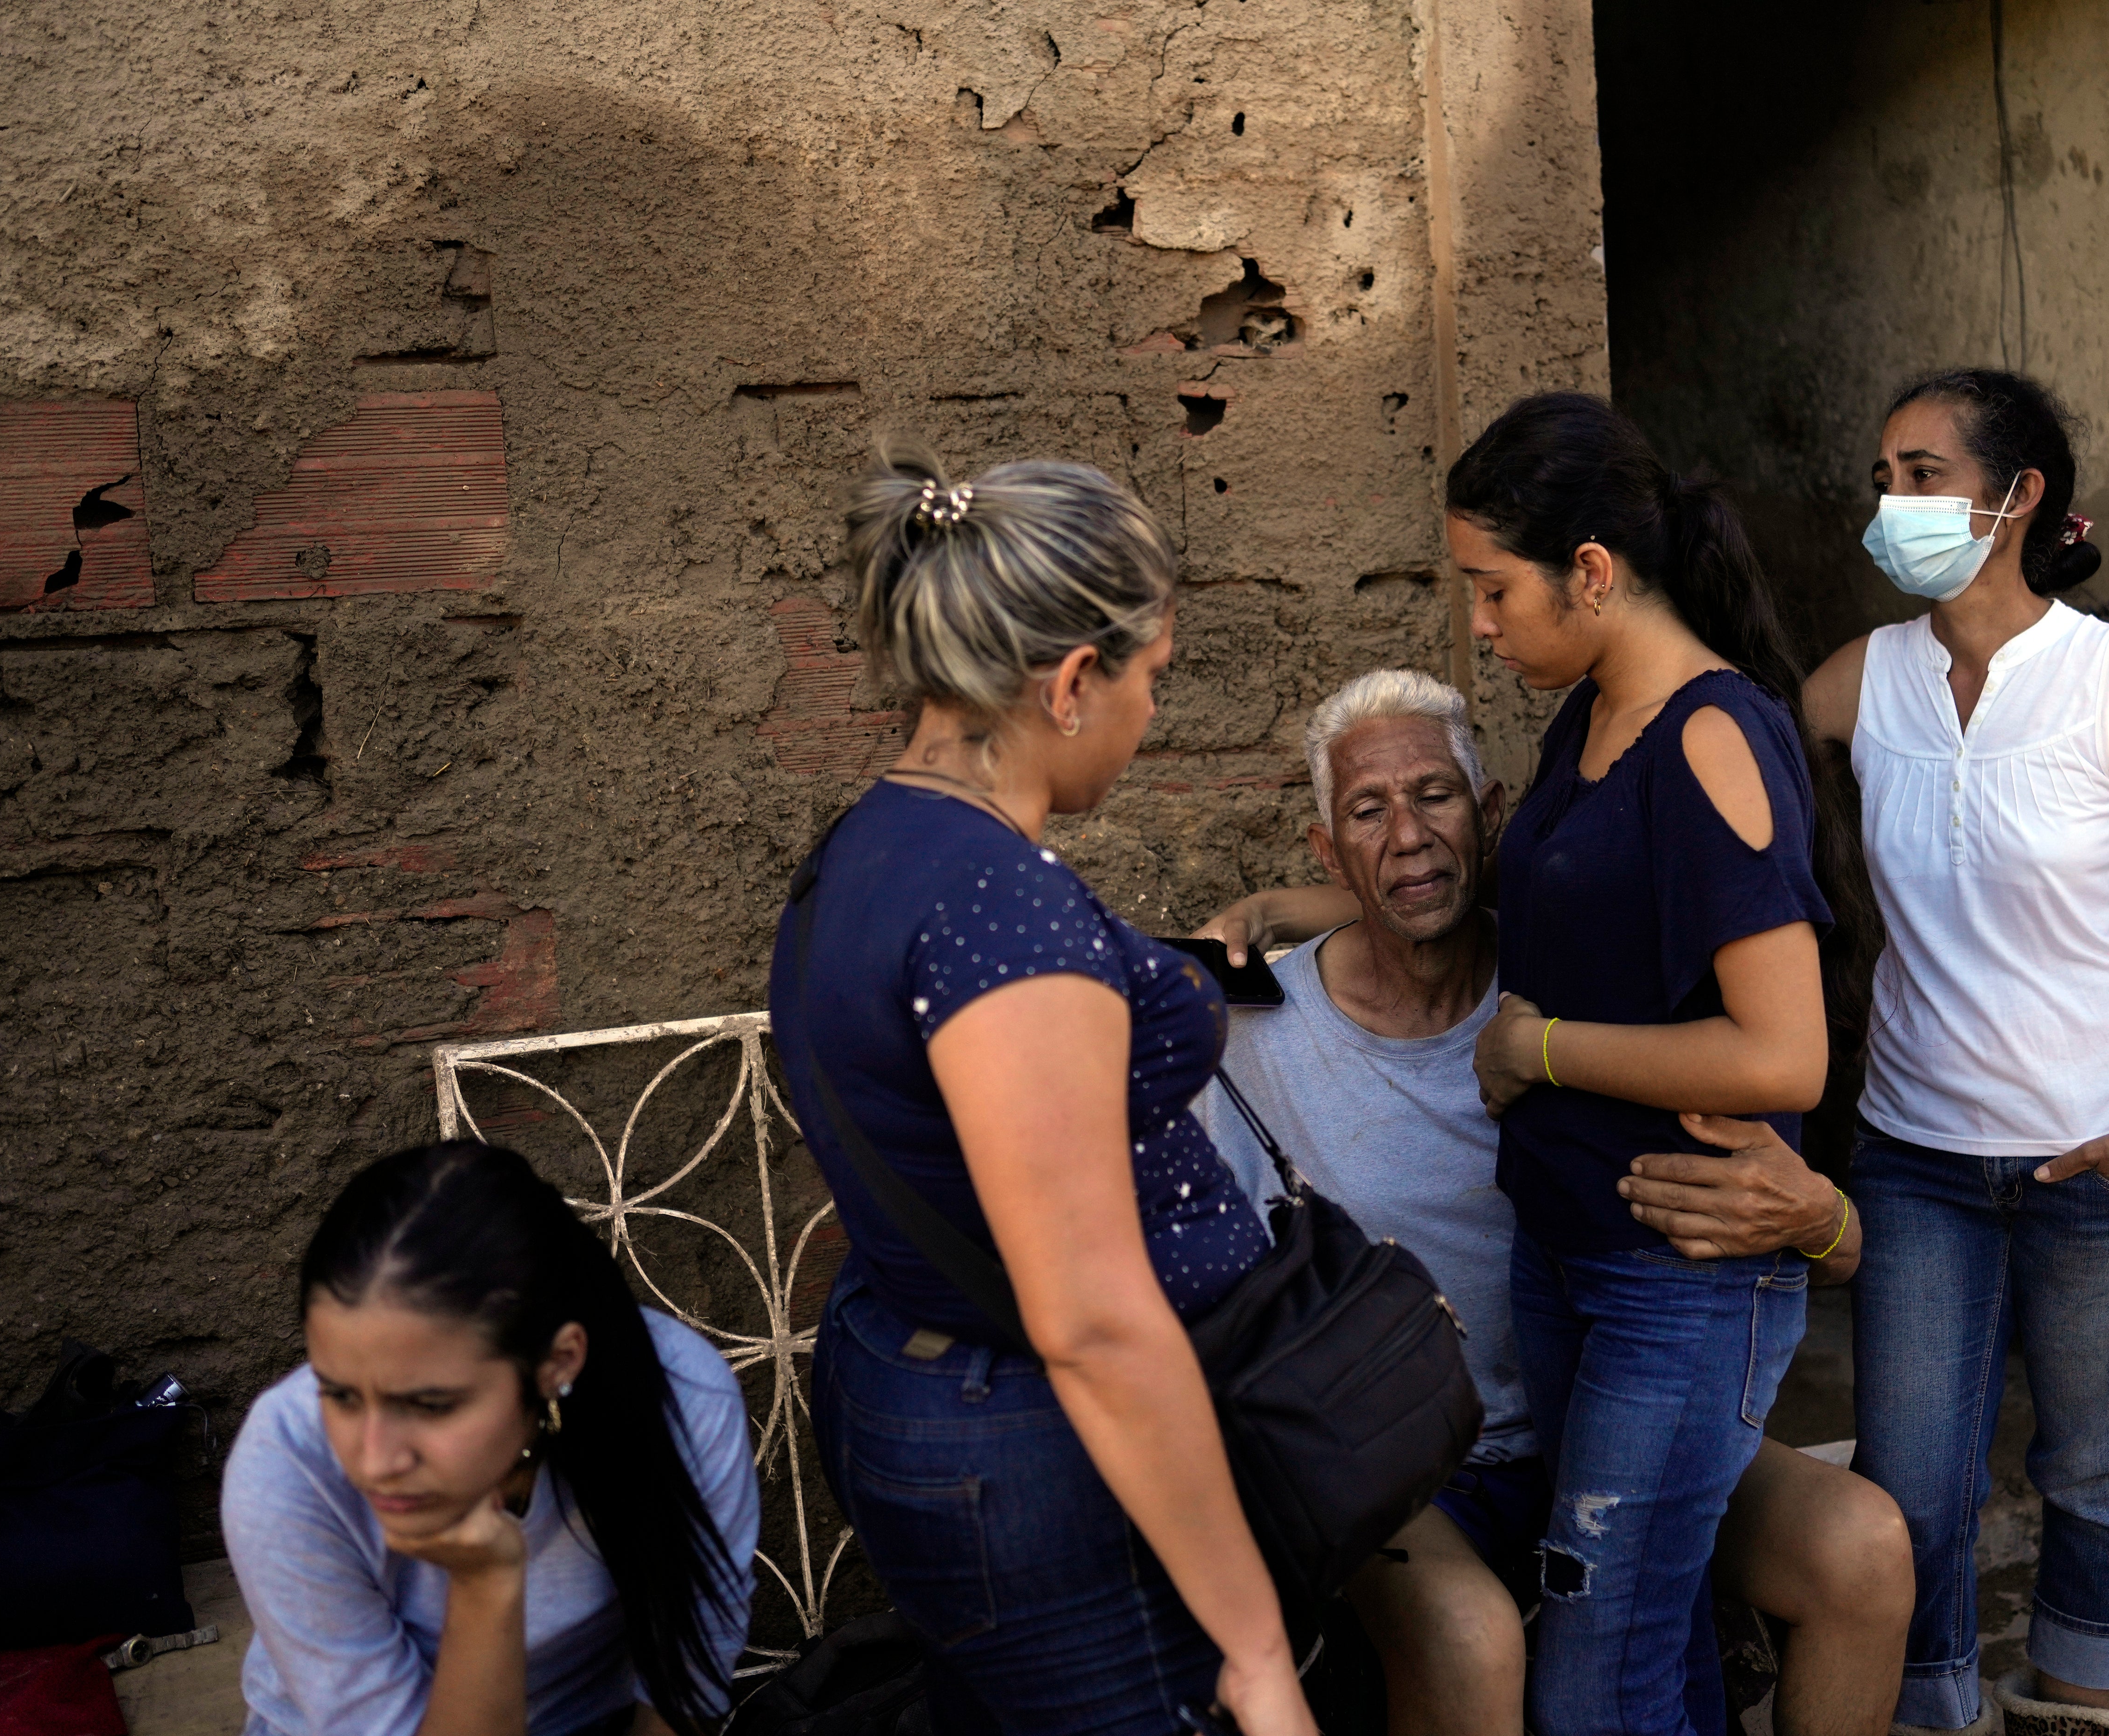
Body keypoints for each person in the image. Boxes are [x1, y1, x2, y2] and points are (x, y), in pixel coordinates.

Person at [1205, 389, 1885, 1736]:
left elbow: (1786, 1052)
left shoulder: (1709, 732)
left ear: (1589, 570)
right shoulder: (1586, 722)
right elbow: (1543, 901)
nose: (1478, 619)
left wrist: (1544, 1049)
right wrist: (1317, 903)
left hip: (1668, 1278)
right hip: (1576, 1264)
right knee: (1654, 1636)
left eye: (1492, 586)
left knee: (1602, 1670)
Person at [1759, 368, 2109, 1735]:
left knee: (2098, 1473)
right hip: (1920, 1159)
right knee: (1913, 1488)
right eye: (1885, 477)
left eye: (1922, 474)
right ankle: (1926, 1711)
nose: (1894, 503)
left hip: (2108, 1156)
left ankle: (2076, 1711)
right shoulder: (1864, 680)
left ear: (2018, 495)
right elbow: (1713, 777)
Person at [767, 445, 1312, 1736]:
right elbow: (1095, 1323)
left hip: (930, 1384)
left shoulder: (875, 843)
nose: (1152, 717)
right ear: (1072, 683)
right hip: (1031, 1445)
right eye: (1152, 681)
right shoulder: (996, 910)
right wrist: (1257, 1652)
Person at [220, 1141, 761, 1736]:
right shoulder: (287, 1464)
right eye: (340, 1395)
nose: (375, 1462)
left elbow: (685, 1682)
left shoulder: (680, 1400)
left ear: (557, 1363)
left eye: (431, 1405)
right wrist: (483, 1584)